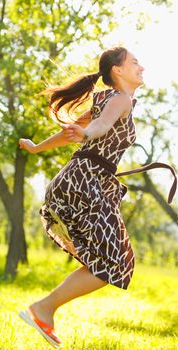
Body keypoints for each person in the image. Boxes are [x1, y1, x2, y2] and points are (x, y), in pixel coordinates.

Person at [18, 47, 177, 348]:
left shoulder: (107, 100)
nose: (141, 67)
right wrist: (88, 134)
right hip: (84, 182)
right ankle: (44, 308)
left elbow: (74, 131)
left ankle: (45, 309)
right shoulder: (120, 99)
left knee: (112, 262)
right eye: (135, 62)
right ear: (118, 70)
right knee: (116, 262)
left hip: (82, 179)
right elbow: (97, 128)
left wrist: (37, 147)